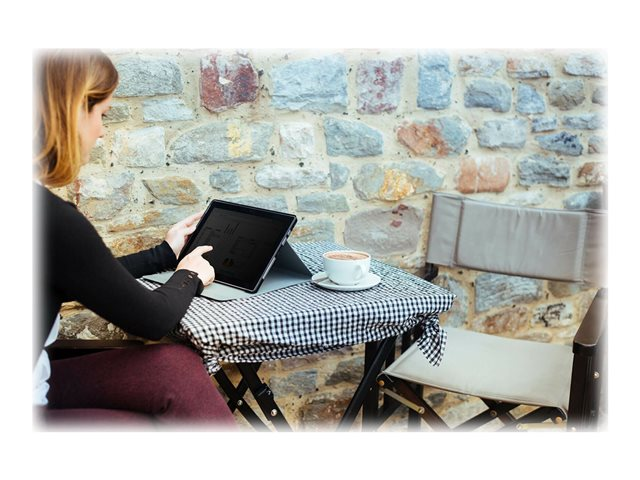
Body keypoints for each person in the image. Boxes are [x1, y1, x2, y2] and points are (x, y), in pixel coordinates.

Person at [33, 49, 236, 429]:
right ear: (70, 111)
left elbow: (80, 274)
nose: (101, 131)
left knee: (174, 367)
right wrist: (190, 274)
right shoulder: (47, 218)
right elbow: (153, 320)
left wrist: (165, 254)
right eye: (102, 114)